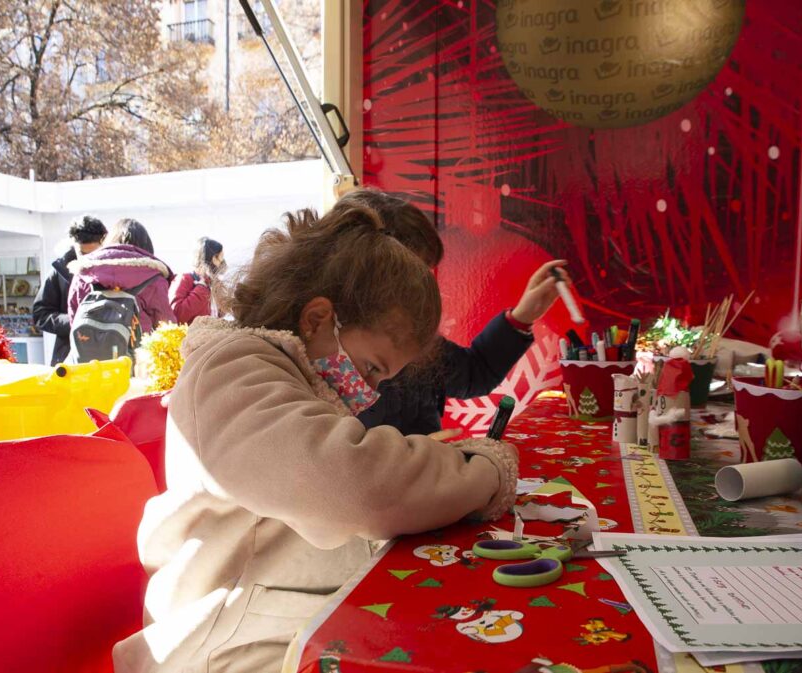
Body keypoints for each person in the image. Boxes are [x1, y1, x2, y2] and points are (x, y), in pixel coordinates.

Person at [112, 200, 517, 673]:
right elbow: (354, 485)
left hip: (271, 624)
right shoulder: (230, 371)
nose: (369, 391)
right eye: (371, 369)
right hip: (218, 648)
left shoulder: (280, 372)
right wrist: (483, 472)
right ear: (317, 319)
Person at [343, 189, 570, 436]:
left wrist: (523, 315)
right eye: (409, 280)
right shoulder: (326, 359)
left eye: (425, 277)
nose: (422, 294)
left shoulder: (417, 339)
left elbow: (475, 373)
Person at [67, 218, 176, 334]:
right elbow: (166, 327)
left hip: (90, 347)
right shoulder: (153, 277)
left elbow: (75, 318)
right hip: (139, 350)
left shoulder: (85, 273)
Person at [33, 215, 107, 364]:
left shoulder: (113, 268)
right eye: (83, 253)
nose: (89, 258)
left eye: (94, 253)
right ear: (73, 244)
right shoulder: (59, 270)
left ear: (103, 241)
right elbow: (41, 314)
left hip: (107, 353)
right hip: (69, 356)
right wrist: (75, 321)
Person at [169, 237, 225, 325]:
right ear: (213, 259)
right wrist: (201, 287)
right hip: (190, 337)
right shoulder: (184, 279)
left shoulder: (213, 283)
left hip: (210, 336)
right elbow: (176, 315)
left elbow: (217, 315)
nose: (222, 263)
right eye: (220, 258)